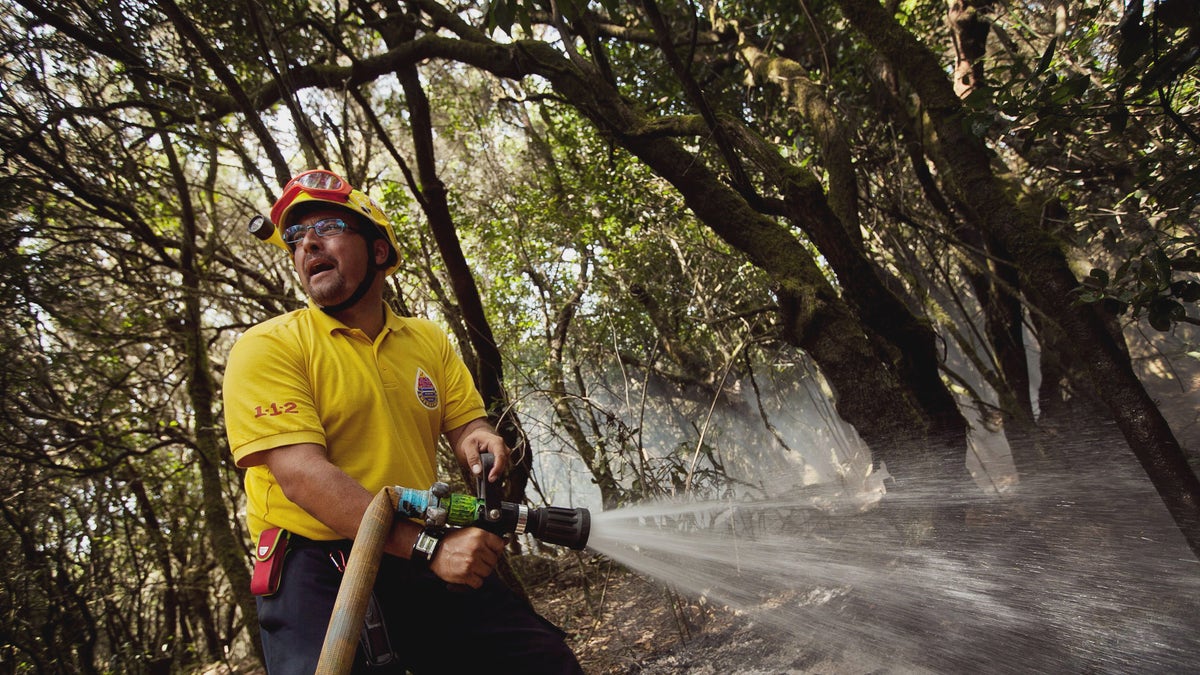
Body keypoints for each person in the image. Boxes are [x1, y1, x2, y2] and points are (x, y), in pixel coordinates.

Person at [223, 169, 583, 673]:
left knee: (539, 662)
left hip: (412, 536)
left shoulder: (426, 340)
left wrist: (481, 441)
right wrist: (430, 548)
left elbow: (467, 424)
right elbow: (302, 475)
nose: (308, 245)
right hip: (316, 560)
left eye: (326, 226)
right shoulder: (269, 346)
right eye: (296, 238)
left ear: (377, 251)